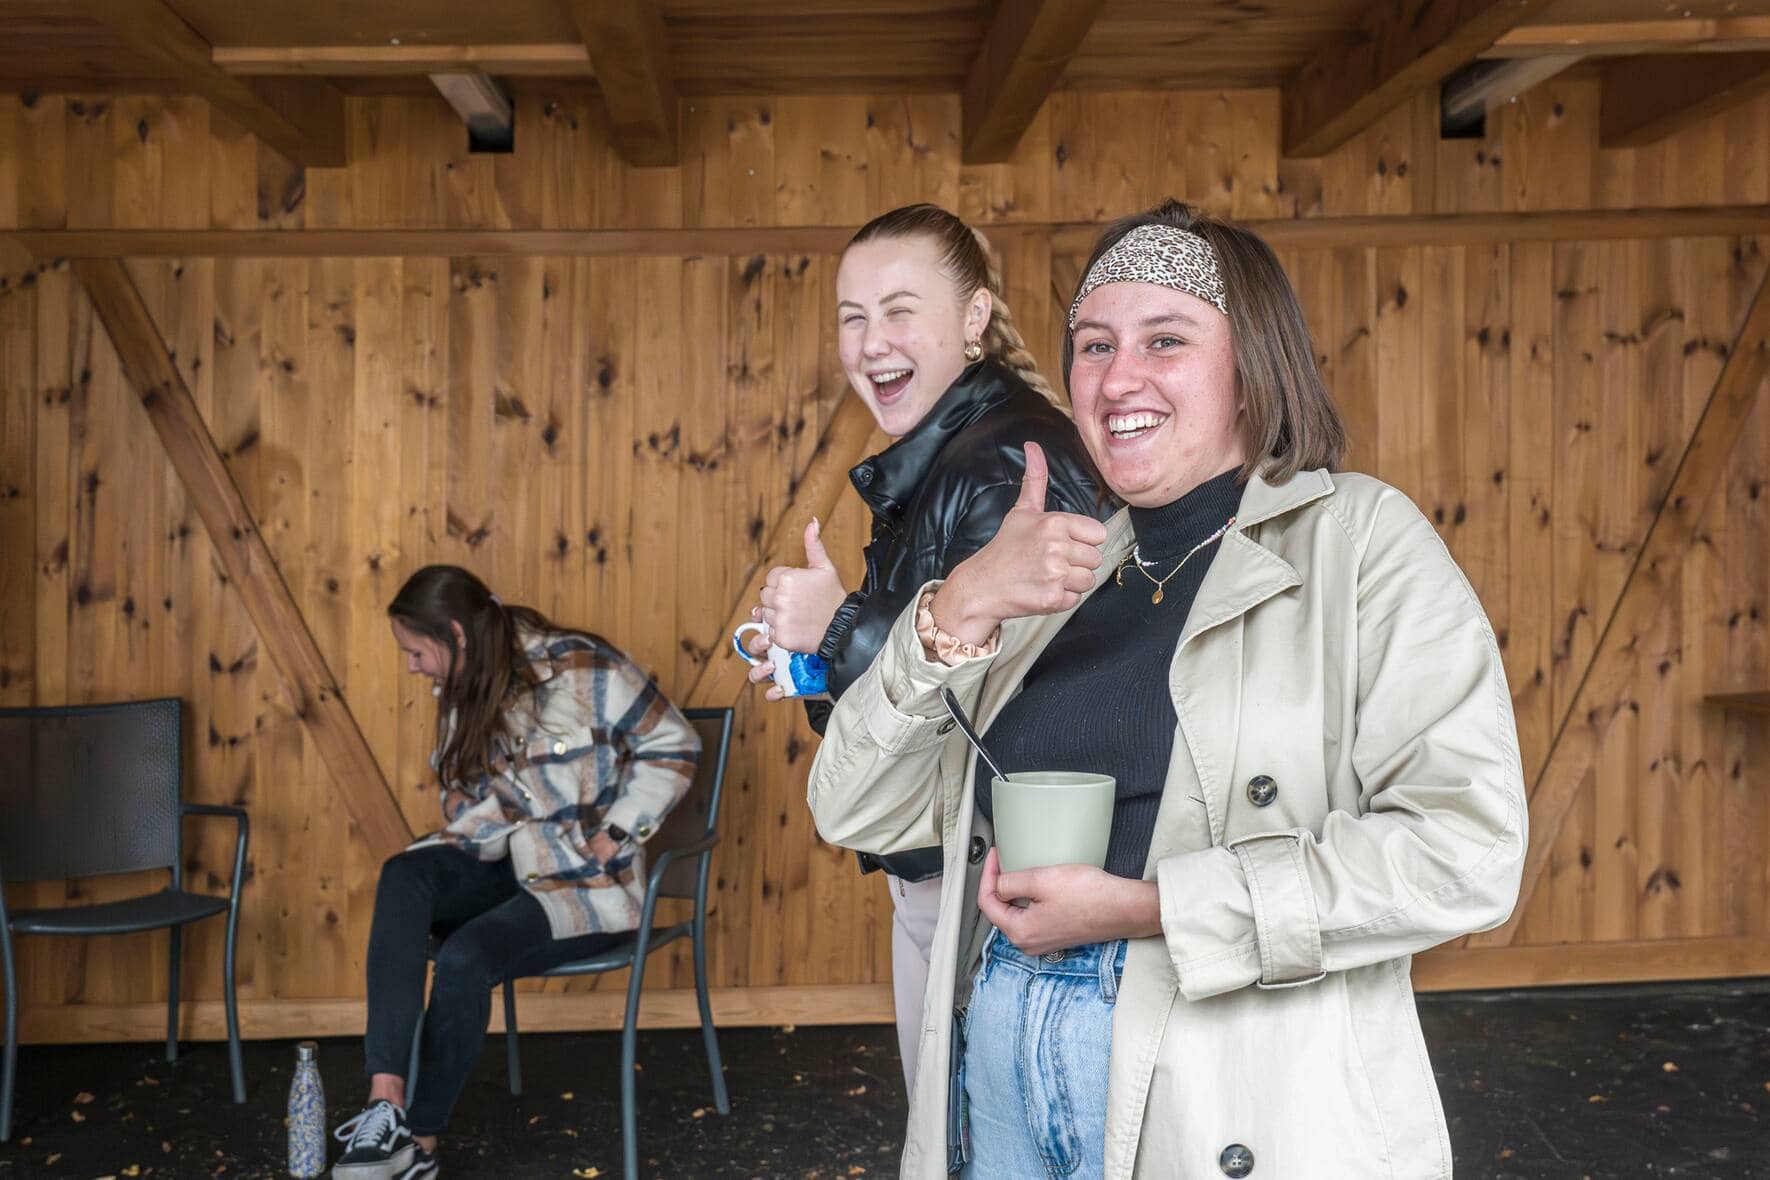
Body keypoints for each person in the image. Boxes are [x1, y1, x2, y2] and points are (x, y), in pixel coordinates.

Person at [806, 200, 1528, 1179]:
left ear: (1249, 365)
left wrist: (1151, 907)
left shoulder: (1358, 540)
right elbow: (854, 805)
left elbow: (1467, 851)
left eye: (1165, 339)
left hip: (1229, 1091)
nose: (1117, 376)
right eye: (1094, 344)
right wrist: (957, 607)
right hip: (1004, 1081)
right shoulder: (1056, 575)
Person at [747, 203, 1108, 1089]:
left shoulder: (998, 466)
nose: (873, 342)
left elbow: (1003, 716)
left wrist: (839, 627)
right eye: (853, 316)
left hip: (989, 886)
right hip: (957, 874)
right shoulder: (954, 453)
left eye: (900, 310)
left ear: (975, 318)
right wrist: (820, 654)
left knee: (972, 1136)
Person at [332, 565, 700, 1180]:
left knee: (463, 957)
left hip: (581, 886)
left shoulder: (584, 668)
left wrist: (617, 831)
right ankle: (385, 1103)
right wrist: (460, 804)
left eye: (417, 652)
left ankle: (417, 1146)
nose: (413, 667)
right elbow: (465, 785)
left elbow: (677, 745)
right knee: (404, 874)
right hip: (503, 862)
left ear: (456, 633)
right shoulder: (469, 683)